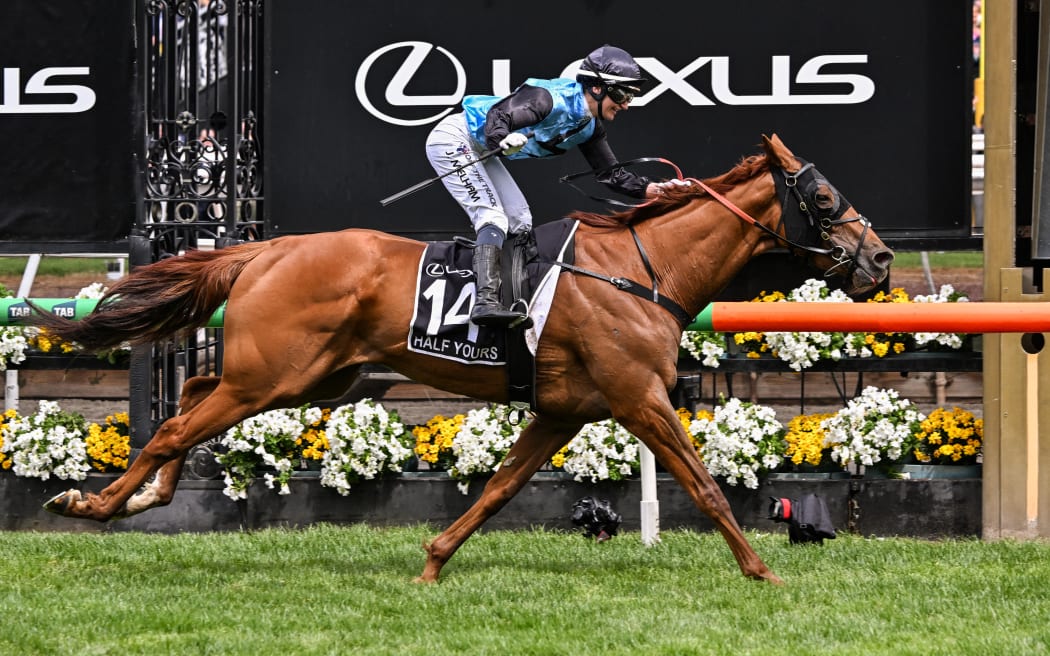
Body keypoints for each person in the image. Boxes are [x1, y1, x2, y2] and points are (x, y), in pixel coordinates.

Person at [425, 44, 662, 326]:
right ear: (597, 88)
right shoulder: (548, 98)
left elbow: (610, 174)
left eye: (630, 97)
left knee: (520, 220)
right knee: (492, 217)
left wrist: (654, 190)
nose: (625, 105)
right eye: (621, 95)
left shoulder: (589, 127)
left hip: (481, 148)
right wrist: (502, 137)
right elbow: (499, 116)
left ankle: (512, 299)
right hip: (455, 139)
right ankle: (485, 302)